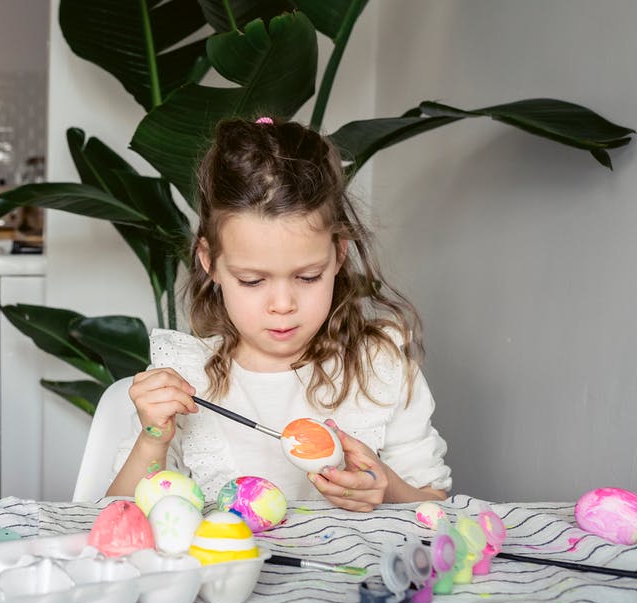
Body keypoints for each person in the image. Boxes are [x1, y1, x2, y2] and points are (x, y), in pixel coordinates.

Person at [107, 117, 451, 512]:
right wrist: (153, 438)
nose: (283, 304)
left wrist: (386, 487)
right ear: (209, 263)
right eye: (253, 281)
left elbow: (434, 504)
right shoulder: (189, 377)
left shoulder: (380, 368)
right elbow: (118, 519)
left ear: (338, 255)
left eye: (308, 277)